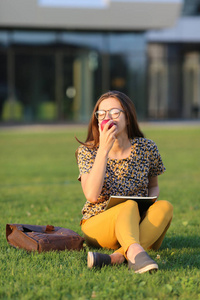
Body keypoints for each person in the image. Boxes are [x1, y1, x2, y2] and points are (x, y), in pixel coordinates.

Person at [76, 91, 173, 274]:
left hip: (135, 223)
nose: (107, 117)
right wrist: (103, 150)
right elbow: (92, 195)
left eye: (114, 112)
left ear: (127, 118)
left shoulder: (147, 148)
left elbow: (153, 185)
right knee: (128, 205)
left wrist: (147, 204)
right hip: (99, 225)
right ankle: (136, 251)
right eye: (101, 113)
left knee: (165, 207)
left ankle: (118, 256)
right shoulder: (87, 151)